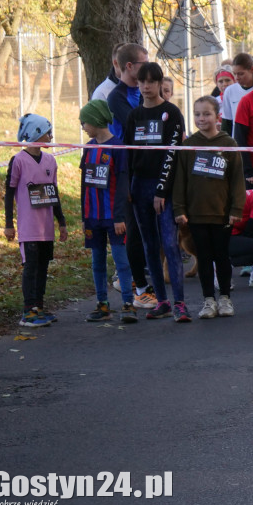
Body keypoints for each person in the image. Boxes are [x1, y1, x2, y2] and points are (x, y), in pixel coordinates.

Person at [124, 61, 189, 322]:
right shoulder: (134, 115)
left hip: (165, 187)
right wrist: (129, 188)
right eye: (142, 81)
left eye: (151, 81)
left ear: (160, 83)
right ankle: (161, 301)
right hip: (139, 187)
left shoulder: (172, 113)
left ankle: (180, 303)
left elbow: (173, 155)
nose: (146, 86)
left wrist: (162, 190)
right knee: (149, 245)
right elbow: (127, 155)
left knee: (170, 244)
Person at [173, 96, 246, 319]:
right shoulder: (188, 145)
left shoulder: (229, 144)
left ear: (217, 117)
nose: (201, 118)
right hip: (195, 213)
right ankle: (208, 301)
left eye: (206, 114)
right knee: (203, 257)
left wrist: (236, 209)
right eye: (197, 114)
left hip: (221, 213)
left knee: (221, 256)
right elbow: (180, 179)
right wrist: (179, 208)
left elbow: (237, 180)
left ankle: (224, 298)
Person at [5, 114, 68, 327]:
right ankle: (28, 311)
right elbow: (9, 192)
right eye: (47, 132)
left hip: (46, 227)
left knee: (43, 266)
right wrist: (8, 224)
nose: (51, 136)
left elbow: (54, 193)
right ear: (36, 134)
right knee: (30, 267)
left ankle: (39, 307)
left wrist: (62, 222)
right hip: (28, 227)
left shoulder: (51, 160)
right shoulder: (18, 161)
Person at [105, 42, 154, 307]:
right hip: (127, 170)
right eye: (143, 64)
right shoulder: (117, 96)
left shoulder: (141, 92)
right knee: (133, 231)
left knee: (150, 229)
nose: (147, 70)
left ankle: (150, 284)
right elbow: (137, 126)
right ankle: (138, 290)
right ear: (129, 67)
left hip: (149, 169)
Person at [78, 100, 136, 324]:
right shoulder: (88, 147)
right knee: (97, 262)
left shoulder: (117, 148)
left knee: (121, 261)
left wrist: (120, 216)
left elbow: (123, 184)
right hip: (93, 216)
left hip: (113, 216)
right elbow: (84, 183)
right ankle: (102, 304)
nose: (83, 126)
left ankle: (128, 303)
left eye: (84, 121)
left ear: (95, 121)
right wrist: (84, 217)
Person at [221, 53, 253, 135]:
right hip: (238, 142)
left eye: (241, 74)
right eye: (234, 74)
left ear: (252, 69)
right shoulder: (230, 91)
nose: (237, 78)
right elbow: (227, 122)